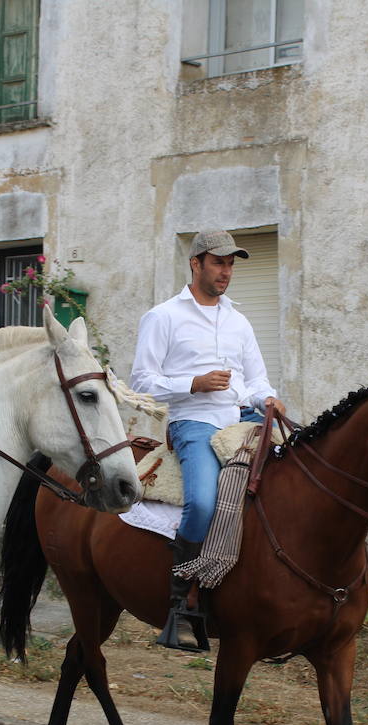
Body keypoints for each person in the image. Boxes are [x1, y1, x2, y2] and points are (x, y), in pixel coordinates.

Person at [129, 229, 284, 651]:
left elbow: (255, 379)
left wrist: (267, 398)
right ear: (196, 263)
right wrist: (192, 384)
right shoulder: (163, 316)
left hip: (241, 419)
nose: (226, 271)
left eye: (231, 263)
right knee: (203, 501)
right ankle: (181, 604)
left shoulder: (239, 320)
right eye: (218, 262)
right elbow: (142, 382)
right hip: (192, 422)